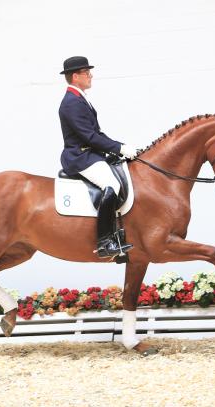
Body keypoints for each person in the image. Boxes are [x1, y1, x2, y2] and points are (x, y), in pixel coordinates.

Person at [58, 56, 137, 258]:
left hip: (90, 152)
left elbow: (98, 133)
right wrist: (119, 148)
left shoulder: (80, 98)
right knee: (112, 185)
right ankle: (104, 242)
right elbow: (89, 136)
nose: (90, 75)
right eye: (86, 72)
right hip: (79, 156)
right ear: (75, 76)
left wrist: (119, 148)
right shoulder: (71, 103)